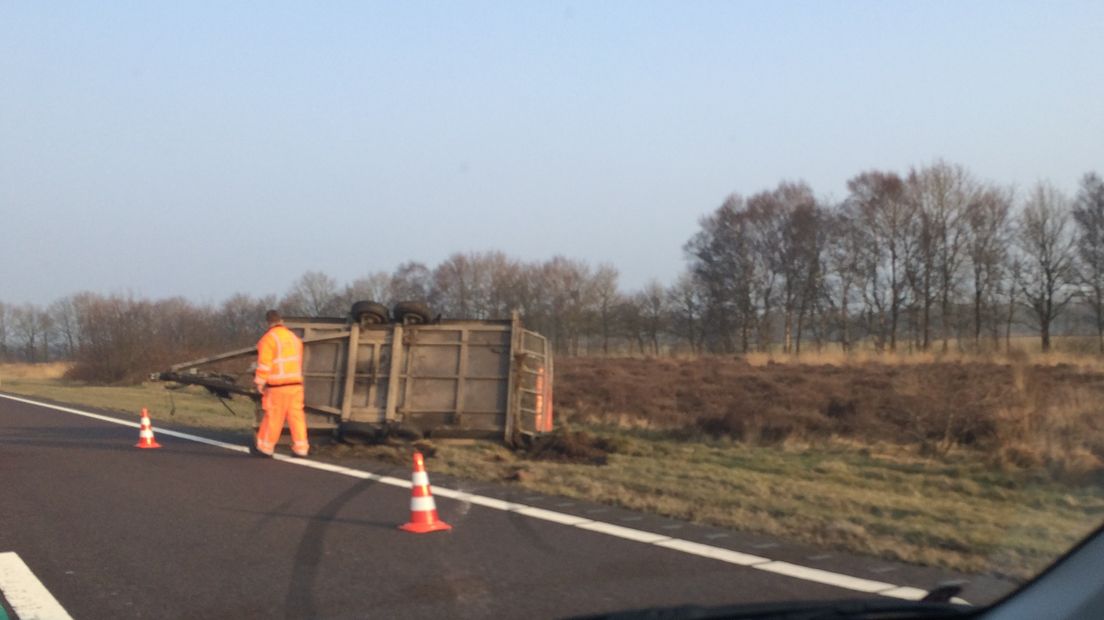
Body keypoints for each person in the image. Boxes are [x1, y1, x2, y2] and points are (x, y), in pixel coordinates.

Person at [252, 309, 309, 458]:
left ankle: (265, 447)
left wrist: (259, 382)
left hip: (278, 386)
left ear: (268, 323)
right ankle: (301, 448)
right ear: (281, 321)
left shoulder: (268, 339)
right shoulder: (294, 339)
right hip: (296, 385)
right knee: (297, 417)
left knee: (273, 417)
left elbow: (264, 364)